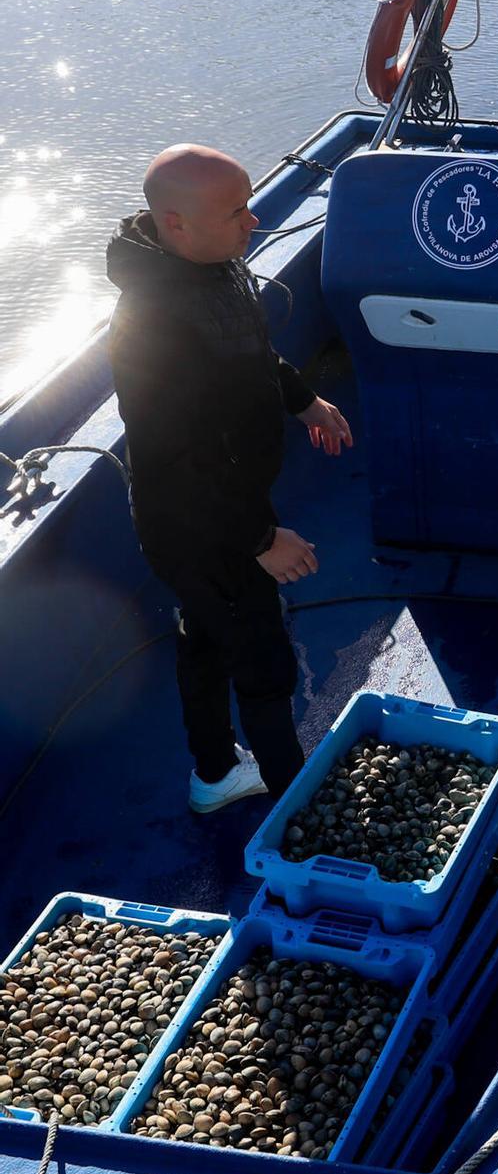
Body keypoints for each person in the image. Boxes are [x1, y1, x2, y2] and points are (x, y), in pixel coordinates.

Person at [107, 145, 353, 814]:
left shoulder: (207, 266)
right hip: (197, 524)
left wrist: (303, 400)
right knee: (261, 656)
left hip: (225, 504)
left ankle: (215, 771)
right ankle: (292, 801)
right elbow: (178, 460)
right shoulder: (149, 325)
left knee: (206, 636)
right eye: (235, 211)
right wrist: (261, 538)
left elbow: (249, 349)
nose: (252, 222)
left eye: (249, 204)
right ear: (176, 223)